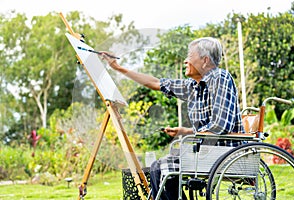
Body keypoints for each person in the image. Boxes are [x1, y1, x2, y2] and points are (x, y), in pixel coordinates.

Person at [101, 37, 245, 199]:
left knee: (164, 167)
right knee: (156, 167)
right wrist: (118, 68)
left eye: (190, 56)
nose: (185, 61)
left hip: (223, 152)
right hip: (208, 150)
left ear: (205, 61)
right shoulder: (192, 86)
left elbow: (220, 126)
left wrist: (193, 137)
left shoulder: (220, 78)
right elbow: (156, 83)